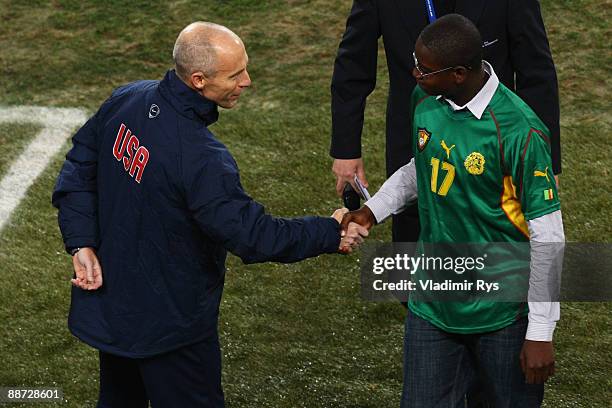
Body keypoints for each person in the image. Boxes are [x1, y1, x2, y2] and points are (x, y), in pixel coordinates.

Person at [52, 22, 367, 408]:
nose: (247, 81)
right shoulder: (201, 158)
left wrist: (80, 240)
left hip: (116, 311)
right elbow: (253, 236)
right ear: (199, 80)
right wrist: (329, 232)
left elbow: (79, 165)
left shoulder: (127, 99)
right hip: (171, 326)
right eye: (236, 74)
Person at [341, 14, 564, 407]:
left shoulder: (519, 132)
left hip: (502, 313)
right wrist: (371, 211)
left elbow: (548, 235)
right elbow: (421, 167)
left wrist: (541, 331)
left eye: (425, 69)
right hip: (433, 303)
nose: (415, 74)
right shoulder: (425, 99)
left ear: (459, 73)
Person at [330, 0, 561, 243]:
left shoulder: (518, 134)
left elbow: (536, 70)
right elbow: (353, 64)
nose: (416, 73)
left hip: (495, 143)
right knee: (412, 236)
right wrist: (347, 149)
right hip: (417, 133)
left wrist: (546, 159)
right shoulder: (420, 97)